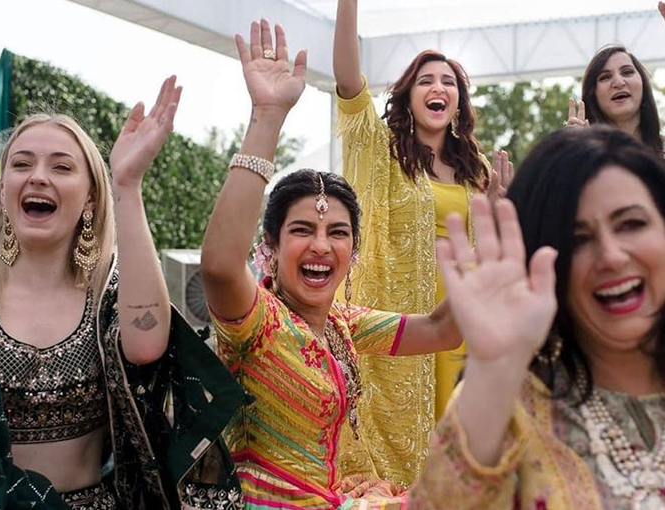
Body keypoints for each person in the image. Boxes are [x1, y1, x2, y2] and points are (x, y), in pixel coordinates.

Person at [0, 63, 244, 510]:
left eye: (61, 166)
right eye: (21, 164)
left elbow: (147, 347)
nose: (38, 176)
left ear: (89, 197)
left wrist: (127, 185)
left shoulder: (108, 293)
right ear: (4, 187)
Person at [201, 19, 463, 509]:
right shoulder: (258, 322)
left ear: (353, 252)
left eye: (337, 233)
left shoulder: (344, 325)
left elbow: (444, 331)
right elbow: (217, 266)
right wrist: (266, 118)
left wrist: (491, 253)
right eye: (302, 230)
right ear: (271, 248)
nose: (321, 245)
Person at [409, 125, 665, 509]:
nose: (611, 256)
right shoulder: (509, 408)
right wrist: (493, 371)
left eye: (631, 224)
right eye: (579, 240)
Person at [331, 0, 513, 484]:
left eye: (449, 82)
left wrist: (495, 212)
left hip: (459, 320)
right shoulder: (380, 149)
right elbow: (349, 78)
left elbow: (489, 253)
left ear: (458, 103)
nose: (438, 88)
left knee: (460, 437)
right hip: (398, 321)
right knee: (397, 448)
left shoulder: (477, 170)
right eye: (427, 80)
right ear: (408, 96)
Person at [565, 3, 664, 156]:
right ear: (593, 94)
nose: (618, 82)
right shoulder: (581, 157)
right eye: (605, 77)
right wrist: (575, 157)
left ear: (643, 83)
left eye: (627, 72)